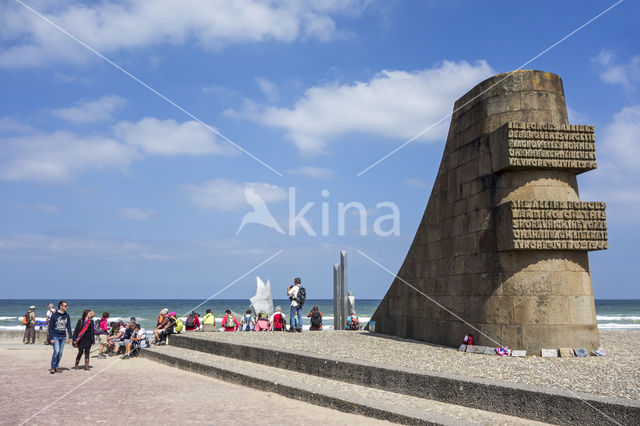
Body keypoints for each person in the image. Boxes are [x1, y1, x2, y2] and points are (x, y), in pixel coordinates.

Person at [48, 301, 73, 374]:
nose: (66, 307)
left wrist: (70, 336)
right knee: (57, 351)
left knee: (60, 353)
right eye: (65, 306)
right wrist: (51, 338)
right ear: (61, 307)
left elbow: (68, 327)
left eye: (66, 306)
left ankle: (56, 367)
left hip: (63, 336)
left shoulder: (67, 315)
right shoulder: (54, 315)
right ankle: (53, 367)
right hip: (55, 336)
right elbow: (50, 327)